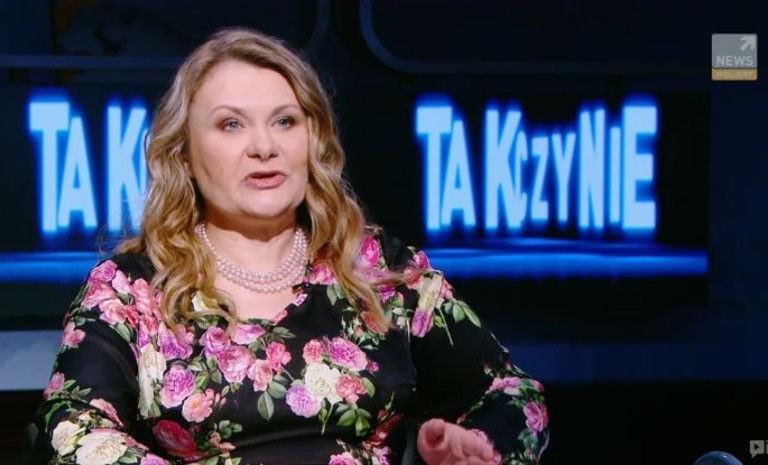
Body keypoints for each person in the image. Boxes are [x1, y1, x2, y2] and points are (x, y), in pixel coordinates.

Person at [32, 27, 549, 465]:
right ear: (184, 154)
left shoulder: (382, 273)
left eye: (285, 121)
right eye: (231, 124)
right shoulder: (131, 291)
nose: (265, 146)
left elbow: (512, 393)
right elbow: (72, 429)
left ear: (312, 140)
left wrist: (475, 446)